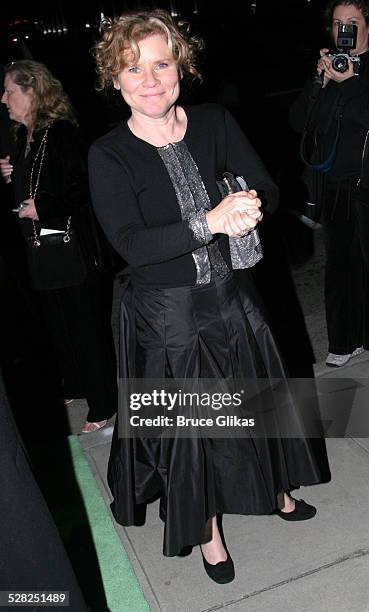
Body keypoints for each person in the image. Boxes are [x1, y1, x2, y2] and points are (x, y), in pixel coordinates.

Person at [89, 9, 330, 583]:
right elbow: (131, 243)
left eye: (161, 64)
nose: (149, 80)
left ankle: (273, 488)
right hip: (167, 315)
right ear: (114, 79)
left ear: (181, 67)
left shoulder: (215, 121)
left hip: (230, 295)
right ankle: (208, 531)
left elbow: (264, 186)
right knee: (198, 431)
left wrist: (250, 208)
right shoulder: (108, 154)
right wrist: (211, 220)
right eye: (133, 68)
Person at [0, 60, 117, 433]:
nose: (3, 99)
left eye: (10, 91)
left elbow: (84, 188)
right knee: (59, 326)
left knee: (87, 329)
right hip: (43, 253)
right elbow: (30, 188)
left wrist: (44, 208)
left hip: (72, 250)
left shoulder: (61, 133)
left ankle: (103, 403)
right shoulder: (26, 139)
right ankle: (75, 383)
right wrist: (11, 173)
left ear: (32, 91)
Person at [290, 0, 369, 367]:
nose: (344, 31)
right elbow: (299, 122)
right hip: (336, 185)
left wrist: (352, 82)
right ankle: (343, 341)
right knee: (340, 266)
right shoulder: (331, 70)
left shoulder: (358, 75)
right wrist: (318, 83)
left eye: (352, 22)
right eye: (338, 23)